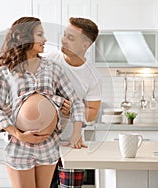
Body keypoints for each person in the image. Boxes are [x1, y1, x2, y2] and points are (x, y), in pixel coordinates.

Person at [0, 16, 85, 188]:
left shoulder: (52, 68)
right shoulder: (5, 72)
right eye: (40, 35)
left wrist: (76, 132)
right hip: (19, 145)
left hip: (49, 145)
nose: (45, 40)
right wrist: (19, 134)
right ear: (25, 38)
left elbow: (76, 102)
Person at [46, 17, 102, 188]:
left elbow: (92, 112)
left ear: (85, 45)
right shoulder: (47, 58)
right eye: (64, 35)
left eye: (71, 38)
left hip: (71, 144)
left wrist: (74, 111)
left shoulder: (93, 76)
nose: (63, 40)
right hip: (41, 144)